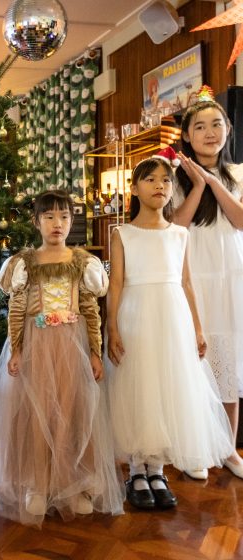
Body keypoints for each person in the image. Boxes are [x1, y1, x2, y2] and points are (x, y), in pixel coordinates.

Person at [0, 190, 124, 527]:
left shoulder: (82, 262)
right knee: (37, 413)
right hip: (36, 345)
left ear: (71, 221)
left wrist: (94, 352)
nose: (57, 223)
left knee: (72, 412)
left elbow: (90, 309)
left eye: (64, 217)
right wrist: (17, 349)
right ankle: (38, 482)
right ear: (36, 222)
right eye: (49, 217)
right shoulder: (24, 263)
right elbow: (17, 309)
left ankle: (72, 484)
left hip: (72, 346)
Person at [106, 156, 234, 511]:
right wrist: (111, 326)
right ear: (134, 189)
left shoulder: (180, 234)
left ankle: (158, 469)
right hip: (135, 317)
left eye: (165, 180)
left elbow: (187, 283)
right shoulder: (122, 233)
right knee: (139, 387)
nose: (159, 186)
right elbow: (115, 284)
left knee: (166, 388)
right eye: (150, 179)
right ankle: (136, 470)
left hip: (173, 318)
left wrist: (198, 328)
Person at [174, 93, 243, 480]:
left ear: (228, 129)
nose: (209, 132)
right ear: (186, 135)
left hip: (232, 280)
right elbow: (176, 226)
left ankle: (229, 449)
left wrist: (213, 181)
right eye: (199, 127)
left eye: (216, 124)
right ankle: (195, 448)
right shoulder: (175, 177)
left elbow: (240, 220)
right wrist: (198, 184)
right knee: (193, 363)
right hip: (193, 279)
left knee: (229, 364)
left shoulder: (239, 174)